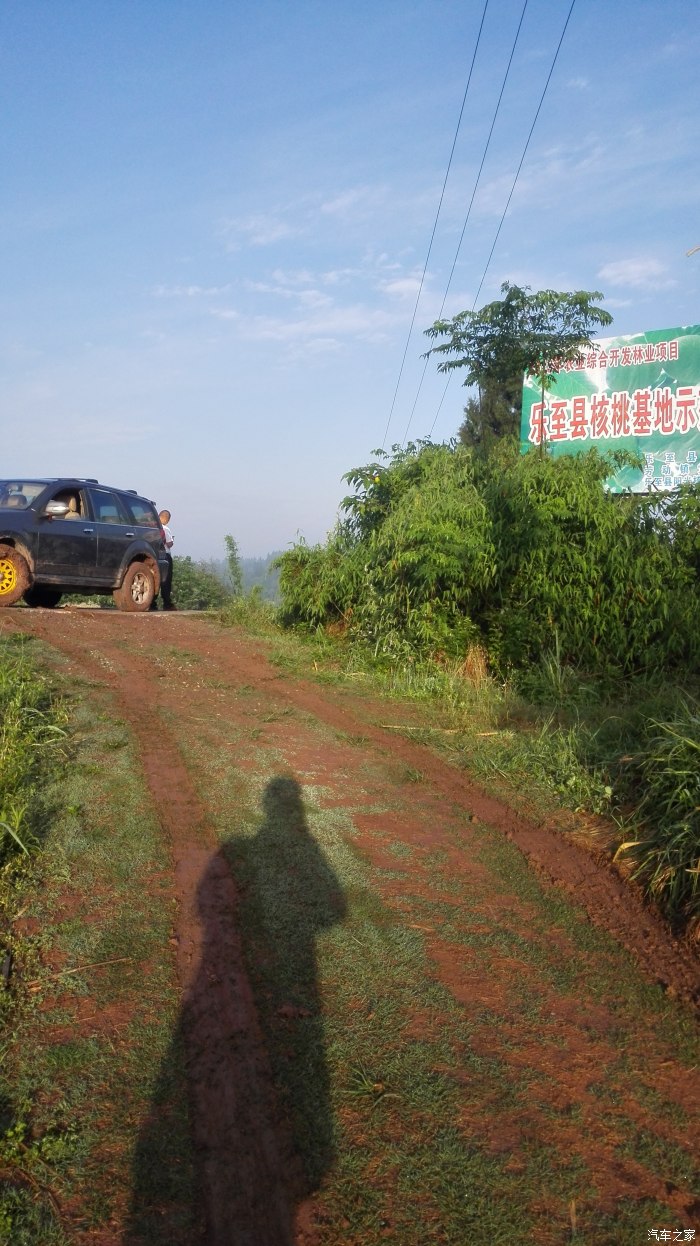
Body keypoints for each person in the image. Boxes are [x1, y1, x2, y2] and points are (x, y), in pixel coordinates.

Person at [157, 508, 176, 610]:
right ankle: (167, 603)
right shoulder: (166, 529)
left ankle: (152, 603)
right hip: (166, 555)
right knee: (166, 580)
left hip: (155, 555)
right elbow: (169, 543)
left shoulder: (153, 527)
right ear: (167, 519)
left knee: (156, 578)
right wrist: (172, 540)